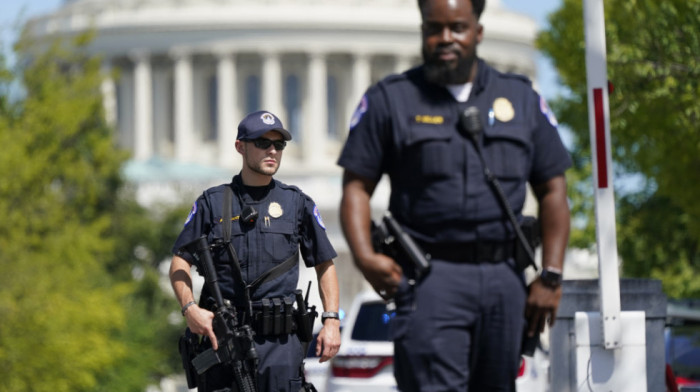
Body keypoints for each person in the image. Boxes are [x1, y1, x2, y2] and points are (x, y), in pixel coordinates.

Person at [337, 0, 571, 390]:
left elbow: (553, 189)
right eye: (435, 28)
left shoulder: (521, 98)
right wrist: (364, 256)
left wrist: (551, 274)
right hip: (431, 279)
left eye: (458, 28)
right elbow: (356, 186)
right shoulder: (391, 100)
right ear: (423, 31)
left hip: (503, 281)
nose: (446, 39)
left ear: (477, 31)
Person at [170, 110, 341, 392]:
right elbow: (179, 263)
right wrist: (190, 310)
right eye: (262, 143)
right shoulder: (213, 203)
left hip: (280, 347)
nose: (272, 150)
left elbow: (325, 264)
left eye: (279, 144)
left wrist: (331, 320)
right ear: (240, 146)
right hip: (224, 342)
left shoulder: (297, 203)